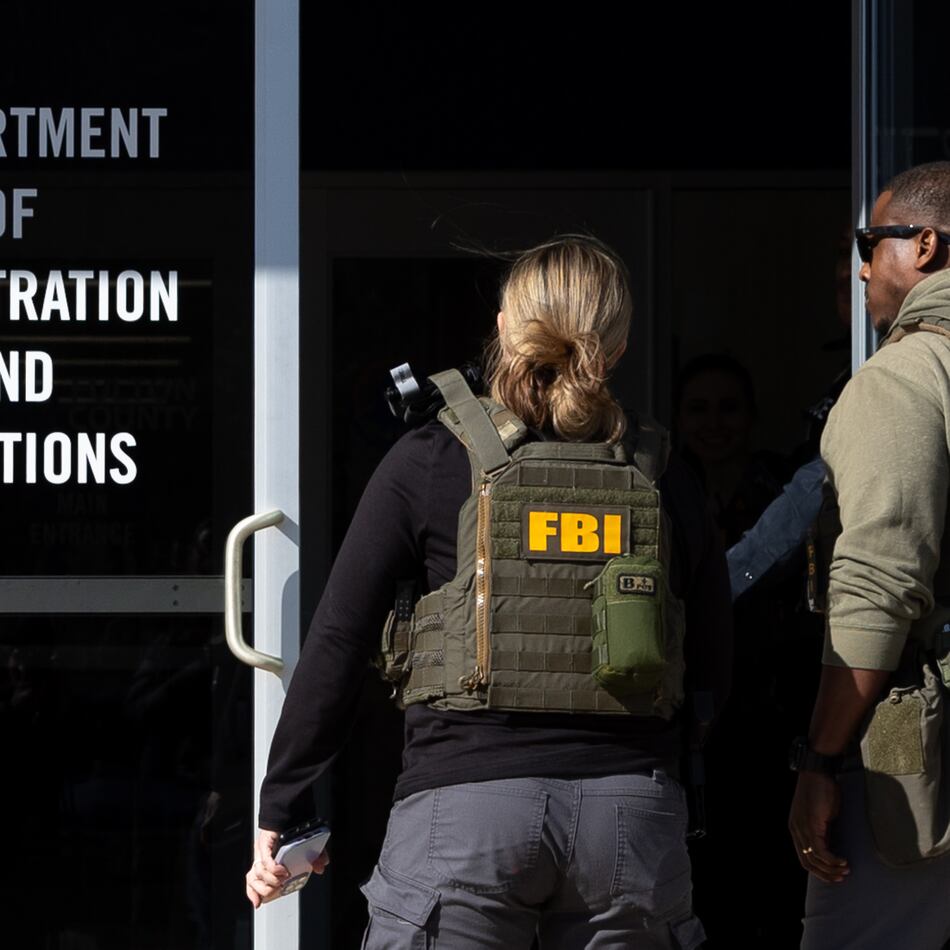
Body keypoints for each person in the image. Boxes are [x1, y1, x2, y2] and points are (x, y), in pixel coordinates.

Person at [245, 235, 733, 948]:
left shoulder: (431, 460)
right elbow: (715, 659)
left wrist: (283, 801)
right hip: (629, 820)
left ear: (505, 326)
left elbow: (341, 637)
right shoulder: (664, 473)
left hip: (463, 816)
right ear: (619, 347)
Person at [788, 161, 950, 949]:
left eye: (869, 241)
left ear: (924, 246)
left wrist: (818, 760)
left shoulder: (905, 381)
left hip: (918, 764)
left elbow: (877, 594)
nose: (860, 265)